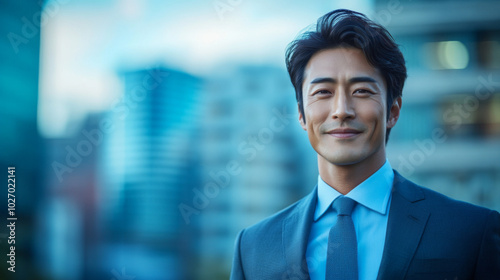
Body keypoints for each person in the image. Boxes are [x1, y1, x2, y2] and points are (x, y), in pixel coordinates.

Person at [230, 9, 500, 280]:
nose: (341, 110)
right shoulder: (253, 248)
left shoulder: (470, 232)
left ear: (393, 111)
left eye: (361, 91)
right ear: (301, 115)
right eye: (323, 92)